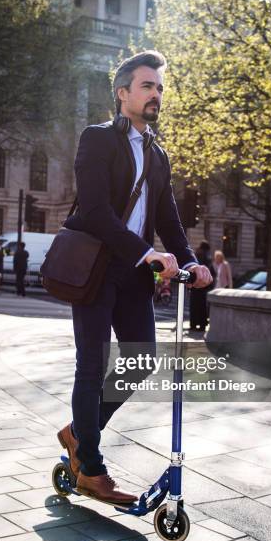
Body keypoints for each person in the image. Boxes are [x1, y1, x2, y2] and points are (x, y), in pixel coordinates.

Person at [57, 50, 212, 505]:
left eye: (160, 87)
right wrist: (148, 253)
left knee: (141, 361)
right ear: (122, 93)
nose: (156, 94)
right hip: (94, 269)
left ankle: (79, 434)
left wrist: (190, 261)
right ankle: (91, 467)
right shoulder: (97, 139)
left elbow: (169, 218)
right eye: (147, 86)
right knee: (92, 364)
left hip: (133, 275)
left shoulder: (158, 155)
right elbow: (95, 211)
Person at [189, 240, 215, 332]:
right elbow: (212, 273)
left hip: (195, 285)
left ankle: (193, 324)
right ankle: (202, 325)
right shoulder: (208, 257)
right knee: (202, 307)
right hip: (203, 286)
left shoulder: (197, 255)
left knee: (194, 306)